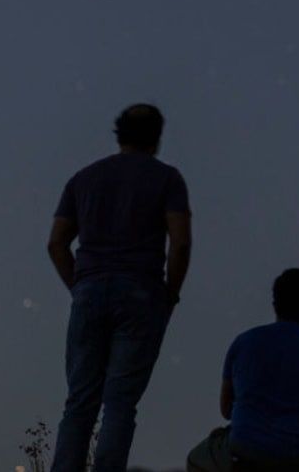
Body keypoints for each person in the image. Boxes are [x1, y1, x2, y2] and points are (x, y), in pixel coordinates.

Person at [46, 103, 192, 472]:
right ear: (157, 137)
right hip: (140, 292)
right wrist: (170, 294)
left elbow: (56, 243)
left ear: (119, 133)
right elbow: (181, 242)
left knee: (79, 401)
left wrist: (79, 285)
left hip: (90, 290)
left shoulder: (84, 178)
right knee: (120, 403)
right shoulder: (167, 179)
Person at [202, 268, 299, 472]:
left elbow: (226, 410)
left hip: (246, 451)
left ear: (275, 304)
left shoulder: (243, 343)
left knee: (198, 458)